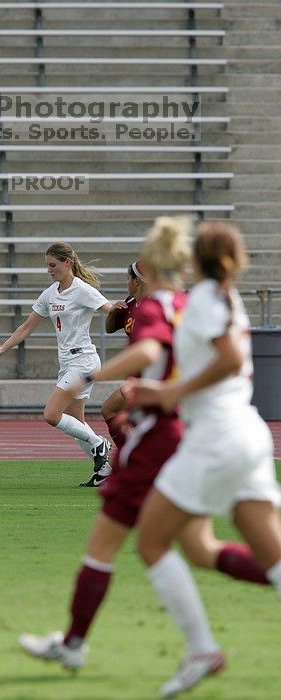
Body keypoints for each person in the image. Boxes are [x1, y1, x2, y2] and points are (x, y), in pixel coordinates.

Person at [17, 218, 274, 681]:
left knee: (130, 544)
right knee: (201, 547)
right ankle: (171, 647)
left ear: (145, 271)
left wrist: (106, 379)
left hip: (183, 438)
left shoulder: (163, 304)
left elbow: (152, 347)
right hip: (240, 435)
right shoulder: (218, 300)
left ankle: (85, 645)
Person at [126, 220, 281, 697]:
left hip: (216, 437)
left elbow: (230, 358)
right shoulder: (228, 298)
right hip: (248, 434)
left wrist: (170, 390)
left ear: (196, 261)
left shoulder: (203, 303)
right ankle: (200, 650)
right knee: (270, 558)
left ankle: (201, 649)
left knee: (151, 543)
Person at [0, 241, 113, 486]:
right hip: (67, 364)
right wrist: (3, 347)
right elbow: (26, 327)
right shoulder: (50, 293)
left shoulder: (83, 290)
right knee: (77, 423)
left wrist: (128, 313)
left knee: (52, 414)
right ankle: (104, 471)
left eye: (53, 265)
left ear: (67, 263)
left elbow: (108, 309)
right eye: (46, 265)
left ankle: (100, 444)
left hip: (83, 361)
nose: (49, 269)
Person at [101, 259, 148, 449]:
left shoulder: (154, 306)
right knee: (110, 410)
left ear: (136, 281)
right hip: (138, 375)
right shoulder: (130, 303)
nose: (127, 282)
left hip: (152, 374)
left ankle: (141, 460)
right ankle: (137, 459)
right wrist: (112, 313)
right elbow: (111, 329)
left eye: (128, 278)